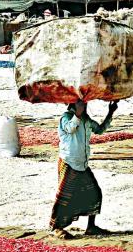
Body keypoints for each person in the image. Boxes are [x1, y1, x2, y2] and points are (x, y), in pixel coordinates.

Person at [50, 100, 118, 239]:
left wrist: (110, 112)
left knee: (94, 193)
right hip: (69, 162)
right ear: (74, 105)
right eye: (82, 104)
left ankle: (91, 227)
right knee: (64, 197)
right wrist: (78, 114)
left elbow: (99, 129)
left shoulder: (86, 120)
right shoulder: (66, 117)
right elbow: (70, 128)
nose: (85, 106)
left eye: (85, 104)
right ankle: (56, 227)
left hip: (82, 164)